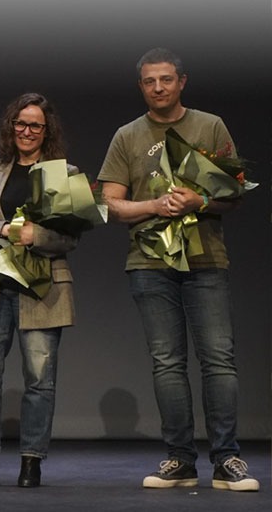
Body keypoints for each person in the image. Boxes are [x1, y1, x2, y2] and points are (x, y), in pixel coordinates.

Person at [98, 48, 258, 492]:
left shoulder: (210, 125)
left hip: (206, 260)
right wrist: (155, 205)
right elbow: (109, 203)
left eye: (166, 79)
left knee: (218, 359)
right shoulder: (127, 135)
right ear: (141, 86)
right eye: (149, 81)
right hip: (149, 262)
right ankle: (180, 459)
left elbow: (234, 194)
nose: (158, 88)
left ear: (181, 81)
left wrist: (198, 201)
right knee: (167, 362)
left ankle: (227, 459)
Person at [0, 93, 77, 488]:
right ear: (11, 127)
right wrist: (6, 230)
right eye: (21, 123)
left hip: (42, 287)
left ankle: (31, 460)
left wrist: (35, 236)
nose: (27, 131)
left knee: (40, 378)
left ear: (47, 131)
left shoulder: (62, 173)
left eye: (35, 125)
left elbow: (70, 237)